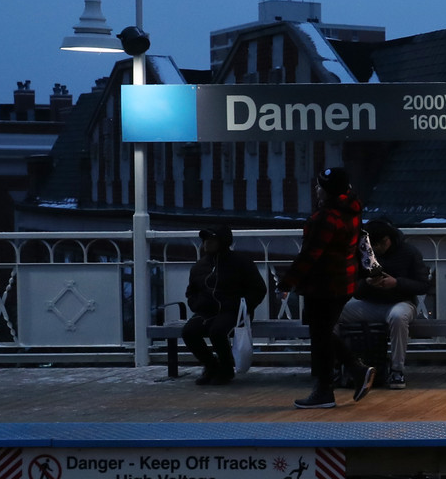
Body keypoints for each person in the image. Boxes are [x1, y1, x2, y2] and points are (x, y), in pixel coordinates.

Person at [276, 167, 372, 409]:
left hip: (323, 284)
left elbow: (310, 254)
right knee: (323, 333)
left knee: (320, 337)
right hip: (344, 281)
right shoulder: (352, 210)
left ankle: (326, 389)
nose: (316, 189)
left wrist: (287, 282)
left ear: (328, 191)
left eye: (320, 185)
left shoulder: (326, 218)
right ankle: (352, 371)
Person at [338, 219, 430, 390]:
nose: (375, 251)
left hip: (401, 302)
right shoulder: (364, 252)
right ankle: (339, 365)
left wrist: (396, 283)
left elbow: (423, 285)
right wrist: (366, 283)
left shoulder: (409, 253)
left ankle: (397, 369)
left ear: (387, 240)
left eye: (377, 246)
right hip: (370, 303)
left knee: (398, 317)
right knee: (333, 313)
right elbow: (353, 288)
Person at [181, 225, 266, 387]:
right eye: (205, 240)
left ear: (223, 241)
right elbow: (191, 291)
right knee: (189, 332)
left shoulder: (240, 262)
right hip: (206, 311)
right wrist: (197, 304)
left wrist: (245, 306)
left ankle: (226, 370)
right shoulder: (200, 266)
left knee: (217, 331)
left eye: (212, 240)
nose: (207, 244)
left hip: (233, 310)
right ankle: (212, 365)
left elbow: (258, 288)